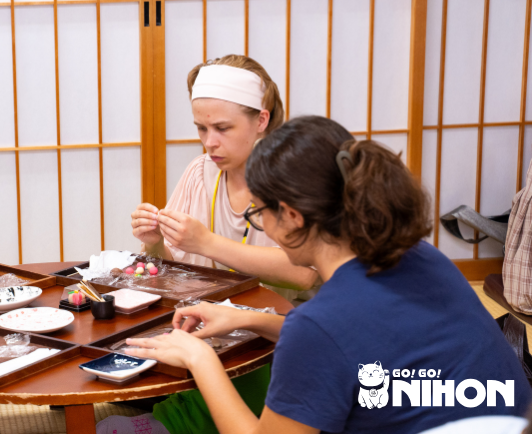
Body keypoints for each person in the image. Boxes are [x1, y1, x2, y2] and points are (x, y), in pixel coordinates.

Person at [120, 116, 532, 433]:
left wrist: (199, 359)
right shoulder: (422, 256)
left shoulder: (321, 324)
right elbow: (354, 343)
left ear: (293, 217)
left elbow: (328, 339)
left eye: (259, 213)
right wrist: (250, 319)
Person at [130, 55, 319, 299]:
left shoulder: (292, 178)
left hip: (283, 326)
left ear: (261, 120)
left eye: (223, 128)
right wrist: (155, 243)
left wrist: (206, 242)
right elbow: (169, 267)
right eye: (201, 128)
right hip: (208, 323)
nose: (210, 142)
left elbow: (305, 274)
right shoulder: (199, 172)